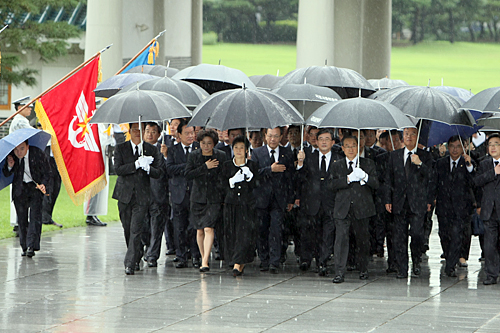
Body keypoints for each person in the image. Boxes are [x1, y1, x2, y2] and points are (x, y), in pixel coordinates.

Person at [112, 122, 163, 275]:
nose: (137, 132)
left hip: (142, 196)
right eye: (134, 130)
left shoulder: (151, 150)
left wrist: (148, 168)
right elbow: (118, 169)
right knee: (127, 228)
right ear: (129, 131)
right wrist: (135, 164)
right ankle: (136, 254)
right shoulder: (121, 148)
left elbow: (159, 172)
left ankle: (129, 263)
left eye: (140, 130)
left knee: (136, 229)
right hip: (124, 195)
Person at [384, 127, 434, 279]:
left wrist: (420, 164)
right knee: (399, 236)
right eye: (406, 134)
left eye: (413, 134)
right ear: (402, 138)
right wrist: (387, 199)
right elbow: (388, 180)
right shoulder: (394, 156)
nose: (410, 137)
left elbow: (432, 178)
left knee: (418, 234)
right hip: (399, 202)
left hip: (418, 202)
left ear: (418, 137)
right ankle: (402, 268)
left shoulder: (425, 156)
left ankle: (417, 260)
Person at [330, 135, 378, 283]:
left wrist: (365, 176)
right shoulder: (336, 165)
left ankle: (363, 269)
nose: (351, 149)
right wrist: (348, 179)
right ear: (342, 148)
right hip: (343, 208)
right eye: (347, 146)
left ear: (358, 147)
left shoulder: (368, 163)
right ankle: (339, 272)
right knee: (341, 240)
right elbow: (331, 185)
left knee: (362, 240)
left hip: (362, 208)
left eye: (353, 146)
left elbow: (376, 184)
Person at [296, 129, 340, 275]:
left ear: (333, 142)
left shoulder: (338, 158)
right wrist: (300, 163)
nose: (323, 142)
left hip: (331, 202)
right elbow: (300, 178)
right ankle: (308, 258)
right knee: (311, 233)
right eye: (320, 138)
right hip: (312, 202)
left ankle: (323, 262)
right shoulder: (309, 156)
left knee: (328, 234)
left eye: (327, 139)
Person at [251, 127, 295, 274]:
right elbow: (254, 174)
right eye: (270, 136)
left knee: (276, 230)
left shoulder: (287, 153)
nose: (273, 139)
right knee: (262, 230)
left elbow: (290, 177)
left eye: (276, 136)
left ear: (281, 136)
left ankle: (274, 262)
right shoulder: (257, 153)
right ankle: (264, 259)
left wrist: (290, 198)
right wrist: (270, 169)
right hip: (261, 198)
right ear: (265, 136)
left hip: (279, 198)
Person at [432, 135, 475, 277]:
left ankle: (450, 266)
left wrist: (469, 167)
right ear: (447, 147)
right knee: (444, 235)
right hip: (444, 206)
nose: (455, 150)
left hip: (461, 207)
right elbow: (434, 184)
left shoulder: (468, 163)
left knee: (457, 236)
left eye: (458, 146)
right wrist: (430, 200)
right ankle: (450, 257)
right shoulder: (440, 163)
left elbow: (474, 182)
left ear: (463, 148)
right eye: (452, 146)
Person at [185, 129, 226, 272]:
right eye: (203, 143)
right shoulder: (193, 156)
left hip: (214, 198)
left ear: (214, 144)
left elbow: (224, 176)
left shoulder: (221, 156)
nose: (206, 146)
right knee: (200, 230)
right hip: (197, 197)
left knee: (209, 228)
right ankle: (204, 257)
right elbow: (188, 174)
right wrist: (204, 167)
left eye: (209, 143)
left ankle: (205, 260)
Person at [3, 140, 51, 257]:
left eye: (22, 149)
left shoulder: (37, 154)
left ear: (27, 147)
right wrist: (10, 166)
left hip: (35, 187)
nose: (19, 152)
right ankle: (24, 246)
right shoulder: (12, 156)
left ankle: (31, 245)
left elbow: (47, 172)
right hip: (20, 189)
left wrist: (43, 184)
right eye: (16, 149)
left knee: (35, 216)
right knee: (22, 219)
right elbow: (6, 173)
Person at [221, 135, 260, 276]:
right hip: (231, 205)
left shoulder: (252, 166)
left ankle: (238, 263)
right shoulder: (226, 165)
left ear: (246, 150)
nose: (238, 150)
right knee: (232, 233)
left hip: (247, 205)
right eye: (236, 147)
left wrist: (250, 177)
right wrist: (232, 181)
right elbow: (221, 185)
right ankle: (236, 260)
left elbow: (257, 185)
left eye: (241, 148)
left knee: (244, 234)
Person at [166, 119, 202, 268]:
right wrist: (187, 167)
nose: (190, 136)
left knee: (194, 226)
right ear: (179, 135)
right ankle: (181, 256)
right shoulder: (173, 150)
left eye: (192, 133)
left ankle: (195, 255)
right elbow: (170, 169)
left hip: (195, 193)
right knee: (179, 226)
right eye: (186, 133)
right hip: (178, 193)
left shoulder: (198, 149)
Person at [142, 122, 169, 267]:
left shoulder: (163, 149)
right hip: (142, 194)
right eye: (147, 131)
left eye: (153, 132)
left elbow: (167, 172)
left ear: (159, 134)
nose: (150, 134)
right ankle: (147, 247)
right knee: (144, 226)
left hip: (158, 193)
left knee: (156, 226)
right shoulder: (139, 149)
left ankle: (152, 255)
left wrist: (165, 157)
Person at [474, 133, 500, 285]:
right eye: (490, 144)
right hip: (489, 210)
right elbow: (476, 182)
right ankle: (491, 274)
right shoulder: (484, 164)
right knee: (489, 245)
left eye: (496, 144)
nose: (493, 147)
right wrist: (493, 173)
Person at [9, 96, 34, 236]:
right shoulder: (19, 121)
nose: (30, 108)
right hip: (19, 160)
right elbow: (31, 135)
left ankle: (20, 222)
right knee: (20, 192)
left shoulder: (22, 120)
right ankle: (19, 224)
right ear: (20, 108)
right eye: (28, 106)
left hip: (21, 159)